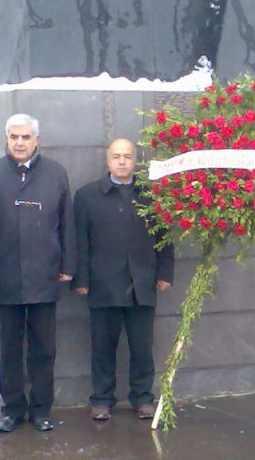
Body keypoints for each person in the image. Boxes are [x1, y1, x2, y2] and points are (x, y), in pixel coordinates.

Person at [0, 114, 76, 433]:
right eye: (14, 137)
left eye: (25, 137)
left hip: (44, 275)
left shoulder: (55, 173)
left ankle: (41, 409)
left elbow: (66, 223)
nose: (19, 143)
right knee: (8, 349)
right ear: (6, 139)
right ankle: (11, 409)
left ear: (37, 140)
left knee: (43, 349)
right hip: (5, 274)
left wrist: (67, 265)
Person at [73, 138, 174, 421]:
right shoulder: (87, 196)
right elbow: (80, 240)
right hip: (102, 284)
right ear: (108, 161)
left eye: (127, 156)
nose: (121, 161)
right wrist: (81, 279)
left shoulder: (151, 195)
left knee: (142, 347)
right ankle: (102, 399)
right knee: (102, 347)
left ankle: (142, 398)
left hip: (141, 283)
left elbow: (165, 238)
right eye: (116, 156)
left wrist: (165, 273)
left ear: (135, 161)